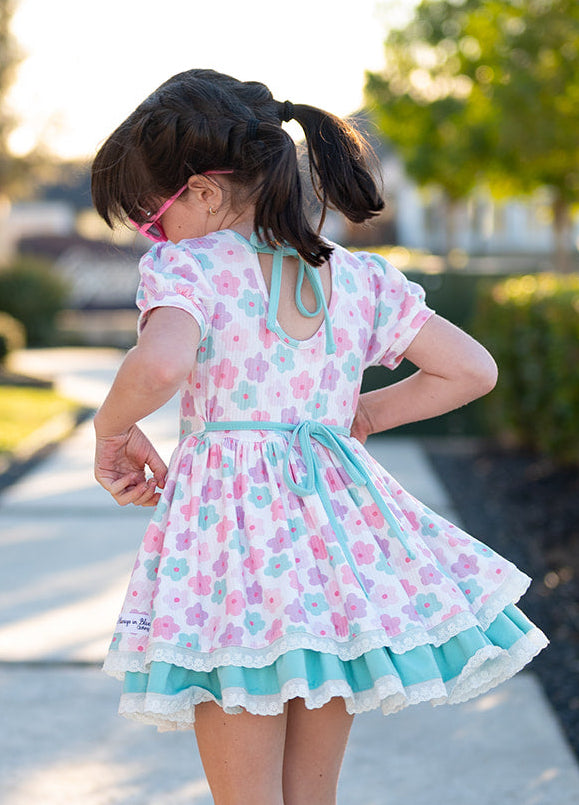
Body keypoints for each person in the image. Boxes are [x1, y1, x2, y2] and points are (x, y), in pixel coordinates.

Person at [91, 68, 549, 805]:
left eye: (153, 217)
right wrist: (362, 416)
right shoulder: (359, 278)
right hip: (330, 550)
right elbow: (469, 369)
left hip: (230, 551)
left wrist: (110, 427)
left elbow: (165, 360)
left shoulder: (191, 266)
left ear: (203, 193)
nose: (156, 234)